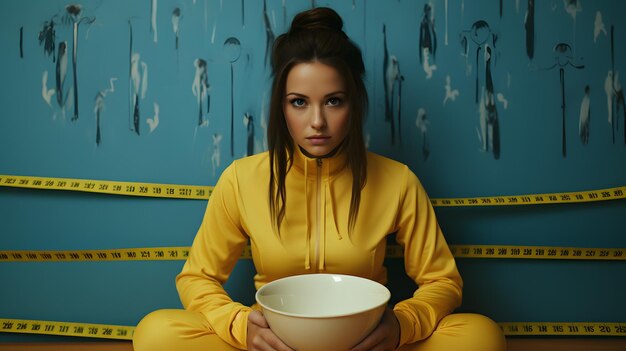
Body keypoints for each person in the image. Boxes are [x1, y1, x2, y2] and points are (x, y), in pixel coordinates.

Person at [133, 7, 506, 351]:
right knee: (156, 332)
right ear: (281, 105)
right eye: (299, 102)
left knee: (480, 335)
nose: (317, 122)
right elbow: (196, 278)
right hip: (276, 345)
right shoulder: (240, 180)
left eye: (333, 101)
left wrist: (402, 326)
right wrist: (240, 325)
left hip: (366, 343)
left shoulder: (398, 182)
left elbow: (443, 282)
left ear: (354, 103)